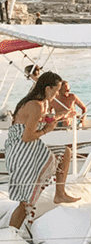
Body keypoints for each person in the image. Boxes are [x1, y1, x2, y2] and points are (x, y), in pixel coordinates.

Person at [3, 71, 80, 230]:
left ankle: (60, 193)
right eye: (56, 89)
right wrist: (47, 130)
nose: (57, 93)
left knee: (65, 152)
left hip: (27, 148)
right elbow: (27, 136)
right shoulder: (36, 105)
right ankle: (11, 234)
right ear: (47, 88)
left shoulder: (41, 103)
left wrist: (63, 115)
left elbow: (45, 120)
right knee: (26, 201)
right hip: (21, 150)